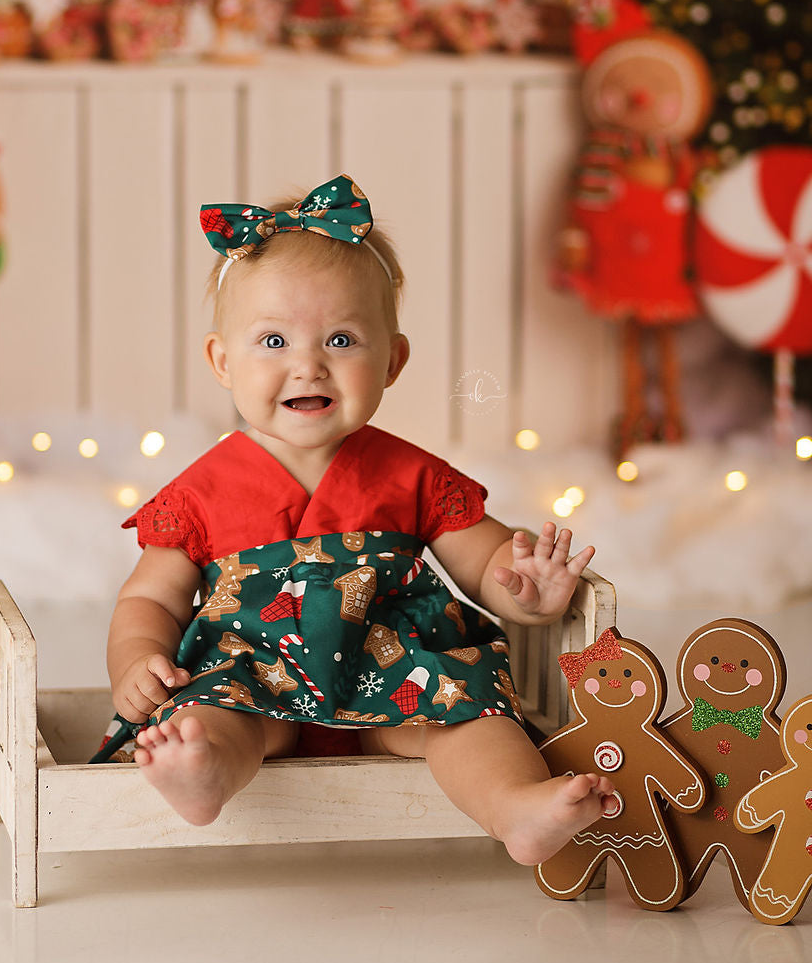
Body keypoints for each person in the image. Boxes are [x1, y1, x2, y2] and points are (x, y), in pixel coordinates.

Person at [103, 174, 618, 865]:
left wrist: (521, 584)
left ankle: (514, 806)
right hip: (258, 678)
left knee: (472, 713)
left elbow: (483, 554)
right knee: (209, 716)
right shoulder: (200, 491)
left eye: (342, 340)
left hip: (399, 674)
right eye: (273, 341)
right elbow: (149, 596)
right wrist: (136, 659)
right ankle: (204, 774)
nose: (308, 364)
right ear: (223, 362)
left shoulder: (411, 472)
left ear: (393, 360)